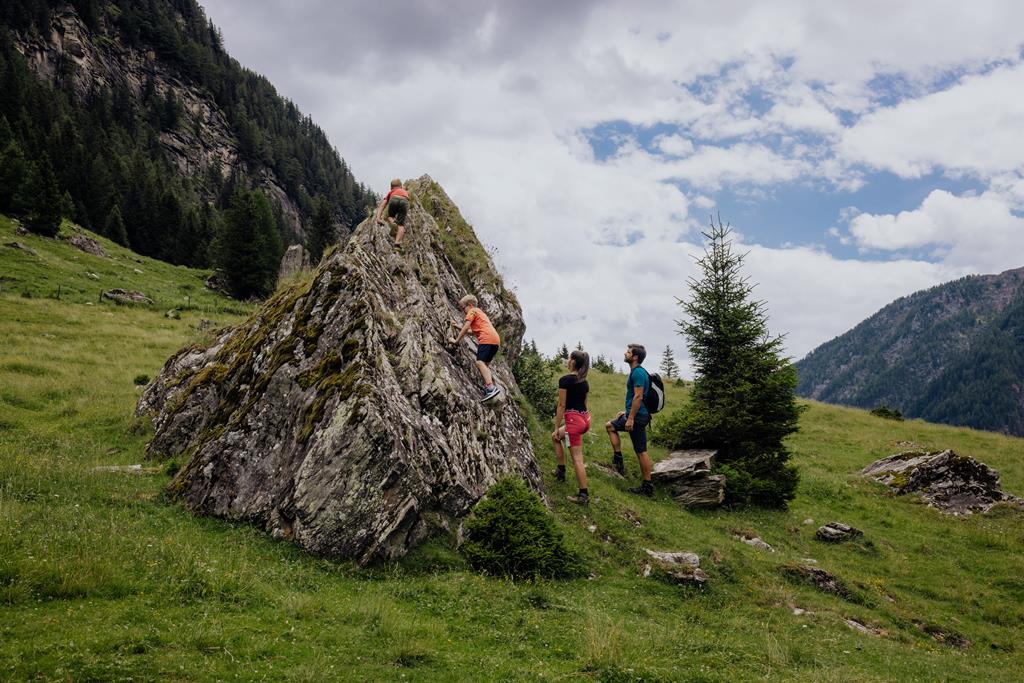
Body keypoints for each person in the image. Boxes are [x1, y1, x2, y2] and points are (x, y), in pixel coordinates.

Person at [606, 343, 654, 496]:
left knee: (641, 451)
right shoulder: (635, 372)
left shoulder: (638, 373)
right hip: (635, 414)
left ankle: (647, 486)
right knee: (610, 426)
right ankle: (618, 460)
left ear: (635, 357)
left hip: (638, 417)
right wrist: (626, 412)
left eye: (628, 352)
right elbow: (635, 397)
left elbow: (638, 396)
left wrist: (631, 418)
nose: (625, 353)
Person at [552, 350, 591, 505]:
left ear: (573, 362)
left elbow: (561, 405)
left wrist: (557, 426)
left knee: (577, 459)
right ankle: (561, 471)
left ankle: (583, 495)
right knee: (555, 438)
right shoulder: (584, 381)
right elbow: (585, 403)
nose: (567, 360)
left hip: (573, 423)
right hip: (584, 419)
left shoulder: (565, 380)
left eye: (569, 358)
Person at [450, 294, 502, 401]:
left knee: (479, 363)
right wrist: (456, 326)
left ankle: (491, 388)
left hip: (486, 339)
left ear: (469, 305)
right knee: (485, 366)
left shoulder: (472, 311)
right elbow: (472, 331)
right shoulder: (480, 314)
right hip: (495, 340)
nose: (463, 311)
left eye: (463, 308)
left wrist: (456, 341)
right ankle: (490, 389)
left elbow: (466, 328)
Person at [375, 178, 410, 249]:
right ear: (401, 186)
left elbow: (382, 206)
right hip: (404, 200)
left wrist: (378, 218)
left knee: (390, 216)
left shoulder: (391, 192)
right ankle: (397, 243)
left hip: (393, 199)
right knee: (401, 225)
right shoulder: (404, 191)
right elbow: (403, 188)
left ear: (391, 188)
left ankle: (393, 223)